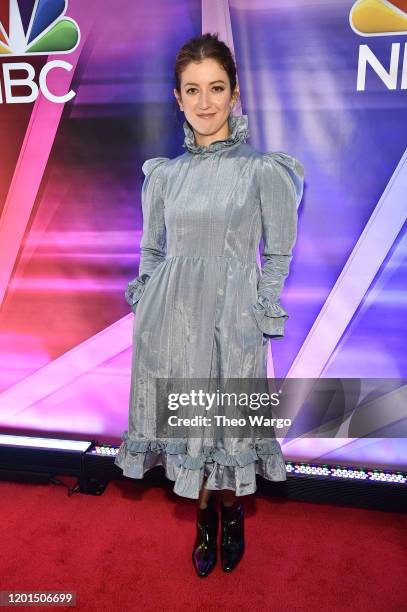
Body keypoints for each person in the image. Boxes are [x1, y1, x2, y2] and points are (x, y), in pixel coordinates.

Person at [115, 32, 304, 577]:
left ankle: (231, 512)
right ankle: (203, 518)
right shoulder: (164, 176)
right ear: (177, 98)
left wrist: (262, 310)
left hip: (234, 316)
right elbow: (152, 249)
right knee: (190, 426)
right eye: (192, 90)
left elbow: (278, 252)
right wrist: (148, 299)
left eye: (216, 88)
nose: (205, 102)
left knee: (230, 423)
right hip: (172, 321)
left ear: (234, 92)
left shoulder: (264, 170)